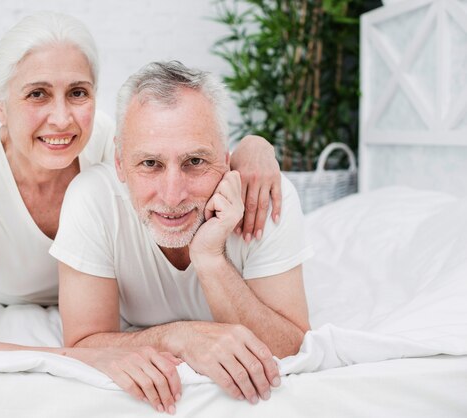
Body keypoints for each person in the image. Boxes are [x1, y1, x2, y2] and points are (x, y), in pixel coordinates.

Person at [0, 11, 282, 414]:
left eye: (78, 93)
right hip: (8, 298)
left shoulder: (112, 145)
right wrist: (87, 355)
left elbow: (191, 148)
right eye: (37, 94)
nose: (61, 118)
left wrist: (255, 146)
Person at [54, 61, 313, 412]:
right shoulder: (92, 199)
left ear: (225, 159)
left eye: (194, 162)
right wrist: (179, 336)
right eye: (150, 164)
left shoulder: (264, 197)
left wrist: (210, 258)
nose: (172, 195)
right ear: (119, 163)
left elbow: (292, 346)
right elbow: (85, 343)